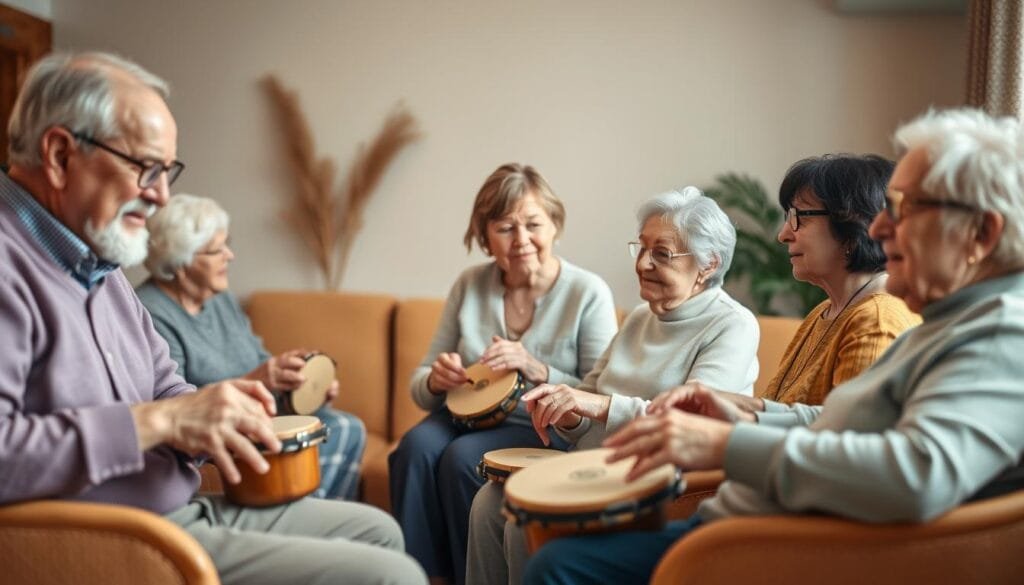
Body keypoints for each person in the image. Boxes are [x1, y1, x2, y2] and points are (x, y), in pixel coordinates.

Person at [522, 107, 1024, 585]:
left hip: (772, 547)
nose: (879, 228)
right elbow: (835, 422)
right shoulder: (951, 322)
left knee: (558, 564)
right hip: (748, 525)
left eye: (906, 208)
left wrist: (724, 444)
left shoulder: (1000, 335)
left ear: (982, 232)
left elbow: (917, 473)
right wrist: (746, 413)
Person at [0, 52, 425, 585]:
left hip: (180, 507)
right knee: (391, 576)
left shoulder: (100, 264)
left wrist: (220, 410)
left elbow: (165, 382)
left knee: (380, 533)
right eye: (145, 168)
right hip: (118, 539)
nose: (160, 195)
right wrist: (164, 421)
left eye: (166, 171)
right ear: (61, 154)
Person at [465, 187, 760, 585]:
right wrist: (565, 410)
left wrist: (596, 406)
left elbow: (692, 419)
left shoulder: (732, 325)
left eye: (661, 253)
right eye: (641, 248)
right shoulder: (641, 317)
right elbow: (589, 397)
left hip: (652, 478)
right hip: (588, 467)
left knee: (524, 523)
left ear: (708, 264)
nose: (642, 263)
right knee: (488, 502)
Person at [388, 163, 619, 585]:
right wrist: (436, 379)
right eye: (504, 227)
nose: (521, 241)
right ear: (484, 236)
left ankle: (469, 577)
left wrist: (536, 367)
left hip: (538, 423)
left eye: (533, 224)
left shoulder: (588, 292)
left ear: (554, 226)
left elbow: (598, 393)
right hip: (460, 413)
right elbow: (420, 383)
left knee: (464, 459)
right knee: (415, 447)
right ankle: (416, 577)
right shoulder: (469, 284)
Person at [136, 193, 366, 500]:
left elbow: (259, 359)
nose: (229, 256)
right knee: (339, 432)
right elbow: (178, 405)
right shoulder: (151, 314)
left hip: (254, 416)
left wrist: (298, 386)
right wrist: (260, 378)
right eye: (216, 250)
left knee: (348, 428)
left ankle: (311, 530)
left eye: (227, 243)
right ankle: (303, 528)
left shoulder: (221, 299)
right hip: (214, 436)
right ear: (181, 262)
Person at [762, 154, 921, 406]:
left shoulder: (877, 320)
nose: (783, 235)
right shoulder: (822, 313)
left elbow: (846, 437)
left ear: (852, 225)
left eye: (799, 217)